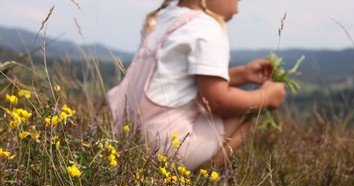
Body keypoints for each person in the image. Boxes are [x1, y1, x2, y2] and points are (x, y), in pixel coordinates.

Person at [107, 0, 286, 170]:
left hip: (122, 132)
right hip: (162, 145)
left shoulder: (163, 17)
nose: (237, 10)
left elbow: (177, 81)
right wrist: (267, 98)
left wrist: (242, 74)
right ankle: (200, 182)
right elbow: (217, 102)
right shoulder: (208, 27)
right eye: (237, 1)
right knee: (245, 112)